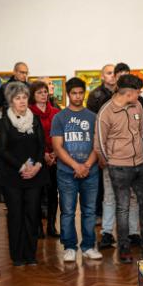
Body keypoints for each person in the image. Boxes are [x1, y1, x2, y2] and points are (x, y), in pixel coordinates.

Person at [97, 74, 143, 263]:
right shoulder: (106, 111)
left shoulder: (138, 105)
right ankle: (124, 249)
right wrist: (112, 161)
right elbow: (100, 144)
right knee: (123, 207)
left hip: (141, 164)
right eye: (138, 92)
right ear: (128, 93)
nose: (140, 95)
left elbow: (141, 132)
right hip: (118, 166)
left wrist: (138, 153)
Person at [51, 77, 102, 263]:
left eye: (81, 93)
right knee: (68, 211)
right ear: (68, 94)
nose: (78, 96)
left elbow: (97, 145)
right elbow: (57, 147)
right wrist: (76, 166)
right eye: (74, 93)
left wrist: (86, 166)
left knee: (89, 211)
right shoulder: (59, 117)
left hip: (91, 172)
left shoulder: (93, 117)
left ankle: (88, 246)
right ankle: (69, 247)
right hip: (66, 173)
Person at [0, 82, 46, 266]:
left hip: (35, 175)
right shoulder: (4, 122)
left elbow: (41, 146)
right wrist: (22, 167)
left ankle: (30, 254)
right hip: (12, 176)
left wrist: (37, 166)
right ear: (11, 101)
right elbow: (3, 150)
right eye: (18, 98)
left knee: (32, 215)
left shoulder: (35, 119)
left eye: (24, 97)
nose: (22, 101)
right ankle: (17, 255)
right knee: (16, 215)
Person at [30, 81, 60, 238]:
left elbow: (61, 134)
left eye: (45, 92)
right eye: (39, 92)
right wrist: (43, 155)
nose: (43, 95)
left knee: (53, 193)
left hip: (55, 158)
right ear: (33, 95)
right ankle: (37, 228)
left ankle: (51, 227)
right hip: (37, 158)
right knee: (37, 194)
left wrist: (55, 153)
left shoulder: (55, 112)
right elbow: (29, 138)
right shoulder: (28, 113)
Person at [0, 62, 29, 133]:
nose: (24, 75)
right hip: (8, 126)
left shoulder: (29, 87)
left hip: (26, 126)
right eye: (22, 72)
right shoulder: (5, 87)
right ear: (14, 72)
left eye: (26, 73)